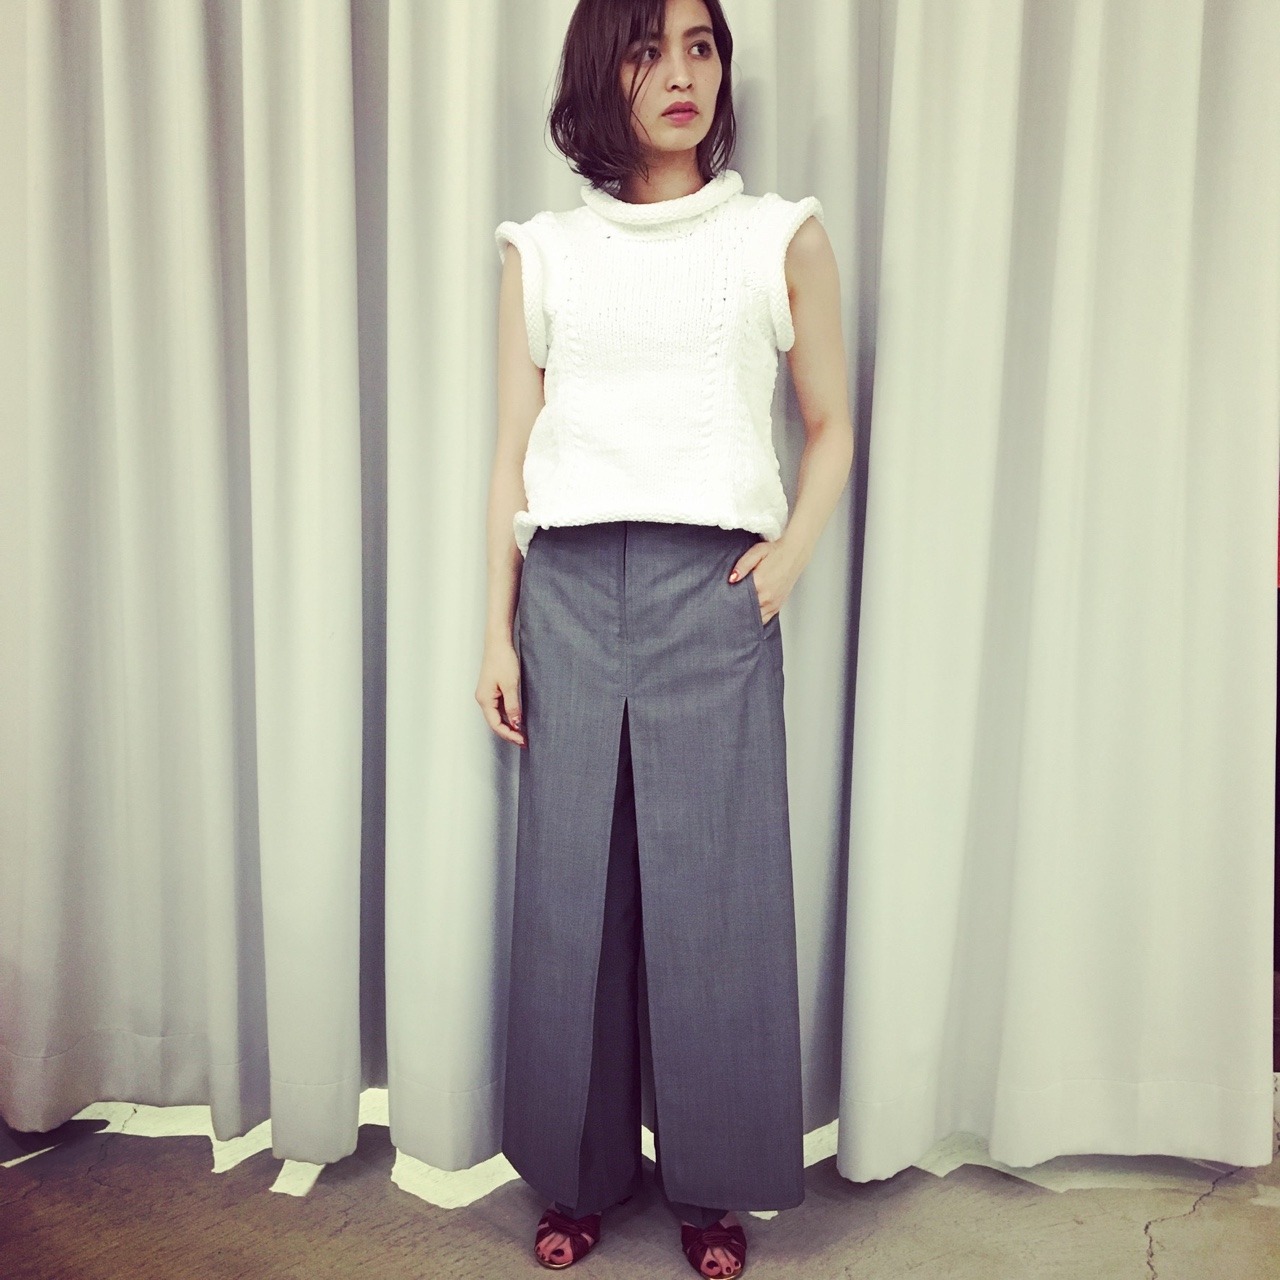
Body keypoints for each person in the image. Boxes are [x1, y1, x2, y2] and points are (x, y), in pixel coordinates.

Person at [476, 0, 852, 1273]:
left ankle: (711, 1186)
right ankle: (577, 1175)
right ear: (603, 71)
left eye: (700, 45)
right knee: (571, 895)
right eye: (647, 48)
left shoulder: (776, 237)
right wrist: (495, 630)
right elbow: (511, 448)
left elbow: (830, 421)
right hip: (569, 588)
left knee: (717, 896)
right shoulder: (542, 253)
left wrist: (785, 560)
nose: (680, 73)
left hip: (711, 587)